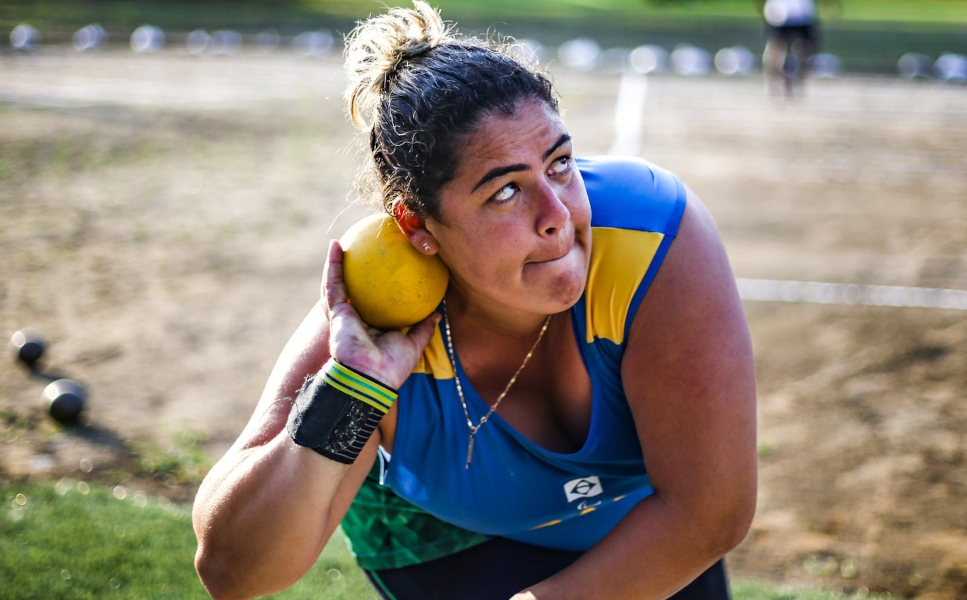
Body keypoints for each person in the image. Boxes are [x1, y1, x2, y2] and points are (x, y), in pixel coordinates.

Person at [192, 3, 758, 599]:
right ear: (418, 226)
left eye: (561, 164)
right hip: (444, 534)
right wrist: (351, 391)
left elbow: (707, 512)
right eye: (506, 191)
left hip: (636, 525)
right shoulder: (381, 308)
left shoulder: (651, 239)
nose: (559, 218)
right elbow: (232, 572)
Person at [754, 0, 839, 96]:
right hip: (778, 11)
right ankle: (771, 81)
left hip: (802, 12)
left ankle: (798, 79)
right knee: (775, 47)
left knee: (805, 49)